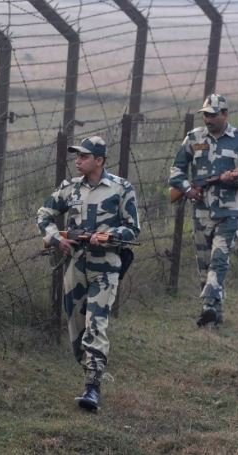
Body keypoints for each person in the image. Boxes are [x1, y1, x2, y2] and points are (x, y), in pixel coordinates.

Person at [36, 136, 139, 412]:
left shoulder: (121, 188)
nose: (77, 161)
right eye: (77, 156)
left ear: (99, 160)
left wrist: (108, 236)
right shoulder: (70, 188)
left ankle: (92, 386)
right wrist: (56, 239)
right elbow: (43, 214)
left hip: (106, 266)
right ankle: (90, 368)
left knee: (96, 323)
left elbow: (133, 229)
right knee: (75, 325)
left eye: (83, 156)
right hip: (76, 265)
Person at [169, 94, 238, 328]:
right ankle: (214, 315)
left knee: (219, 260)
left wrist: (233, 179)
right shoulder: (193, 138)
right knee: (205, 265)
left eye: (213, 115)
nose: (208, 119)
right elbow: (176, 171)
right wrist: (188, 190)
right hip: (201, 212)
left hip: (229, 212)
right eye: (205, 115)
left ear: (225, 114)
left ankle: (208, 305)